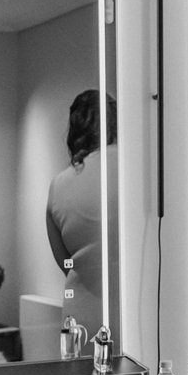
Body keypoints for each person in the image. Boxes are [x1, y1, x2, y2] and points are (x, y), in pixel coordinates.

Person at [45, 89, 117, 337]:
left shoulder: (59, 185)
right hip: (134, 308)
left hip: (80, 316)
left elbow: (65, 262)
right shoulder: (135, 166)